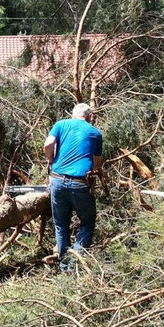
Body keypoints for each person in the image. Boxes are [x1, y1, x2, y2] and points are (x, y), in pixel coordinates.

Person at [44, 102, 103, 271]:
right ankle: (73, 264)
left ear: (73, 115)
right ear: (89, 116)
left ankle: (64, 266)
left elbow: (48, 144)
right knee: (87, 223)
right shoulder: (95, 132)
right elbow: (97, 165)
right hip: (80, 183)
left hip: (56, 180)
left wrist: (51, 160)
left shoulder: (61, 124)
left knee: (61, 224)